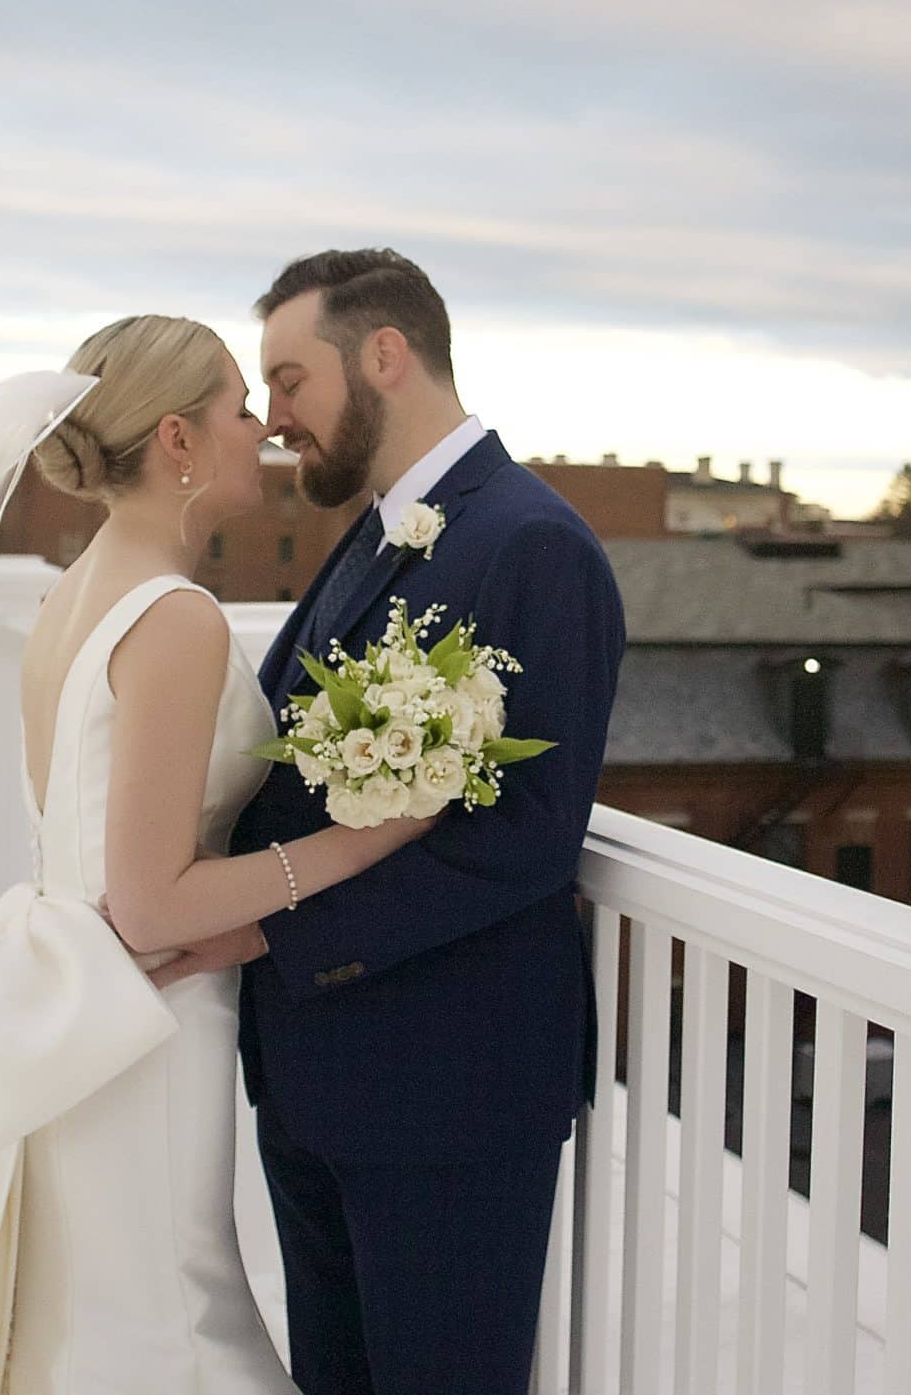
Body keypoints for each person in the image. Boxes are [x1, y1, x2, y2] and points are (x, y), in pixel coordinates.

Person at [0, 315, 439, 1394]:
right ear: (177, 441)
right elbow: (152, 904)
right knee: (171, 1322)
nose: (263, 432)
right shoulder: (177, 618)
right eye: (240, 410)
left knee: (106, 1309)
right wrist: (364, 839)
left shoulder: (72, 592)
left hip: (81, 1003)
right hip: (141, 1016)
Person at [199, 249, 626, 1395]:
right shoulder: (381, 529)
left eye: (288, 379)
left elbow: (526, 833)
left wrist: (266, 931)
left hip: (448, 1093)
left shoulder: (533, 543)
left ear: (384, 354)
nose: (274, 415)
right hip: (310, 1080)